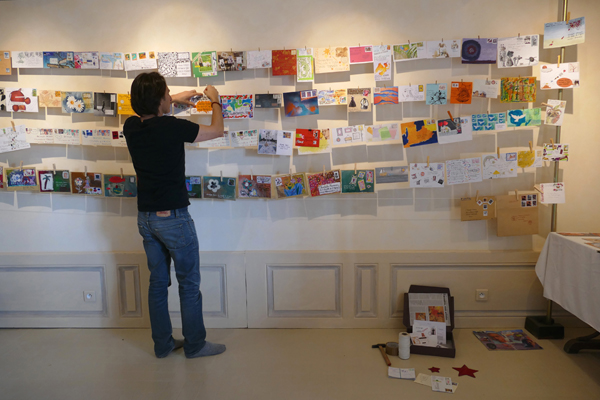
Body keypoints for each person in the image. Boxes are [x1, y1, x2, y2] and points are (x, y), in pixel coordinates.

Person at [123, 72, 226, 359]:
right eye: (167, 94)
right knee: (189, 283)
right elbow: (216, 130)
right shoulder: (172, 127)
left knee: (157, 284)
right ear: (159, 101)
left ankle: (163, 344)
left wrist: (175, 98)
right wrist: (215, 101)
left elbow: (153, 116)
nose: (171, 97)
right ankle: (195, 345)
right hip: (174, 219)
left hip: (146, 219)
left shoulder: (131, 126)